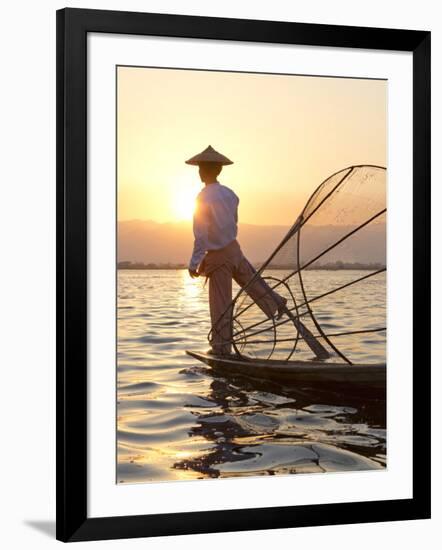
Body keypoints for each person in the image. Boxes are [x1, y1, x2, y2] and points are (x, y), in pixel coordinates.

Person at [185, 145, 287, 356]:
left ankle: (221, 349)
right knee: (253, 283)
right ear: (219, 170)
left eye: (201, 169)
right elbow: (234, 222)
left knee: (221, 304)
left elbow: (201, 234)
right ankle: (275, 302)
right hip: (234, 250)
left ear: (203, 171)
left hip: (219, 256)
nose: (200, 172)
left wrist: (194, 263)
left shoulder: (202, 198)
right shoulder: (230, 194)